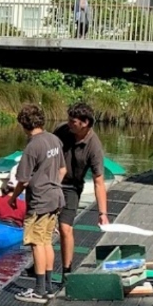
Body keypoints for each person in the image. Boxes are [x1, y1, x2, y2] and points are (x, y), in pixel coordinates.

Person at [10, 103, 66, 303]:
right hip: (56, 197)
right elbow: (62, 170)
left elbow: (22, 180)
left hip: (40, 200)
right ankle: (48, 287)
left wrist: (13, 198)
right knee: (47, 241)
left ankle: (39, 290)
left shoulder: (32, 146)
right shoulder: (54, 140)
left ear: (24, 124)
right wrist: (53, 185)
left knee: (36, 243)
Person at [54, 101, 109, 273]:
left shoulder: (94, 146)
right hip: (52, 182)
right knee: (43, 225)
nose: (69, 123)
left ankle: (66, 270)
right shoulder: (62, 131)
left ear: (85, 123)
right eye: (69, 120)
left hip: (71, 186)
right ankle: (40, 266)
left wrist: (103, 214)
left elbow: (99, 182)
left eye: (73, 122)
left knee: (65, 227)